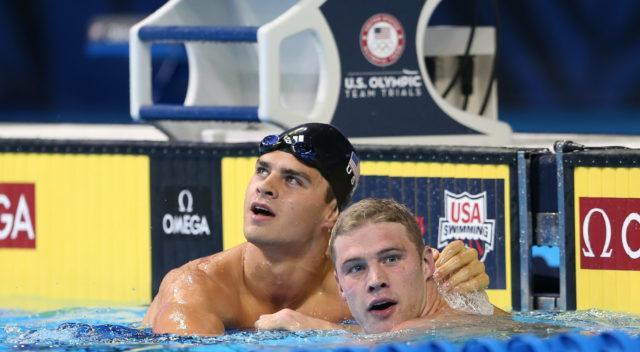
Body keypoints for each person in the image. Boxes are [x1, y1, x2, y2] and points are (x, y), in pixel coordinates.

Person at [144, 123, 489, 336]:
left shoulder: (358, 284)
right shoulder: (197, 288)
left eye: (293, 179)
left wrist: (471, 297)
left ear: (331, 212)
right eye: (263, 170)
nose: (265, 187)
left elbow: (514, 332)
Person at [256, 198, 504, 334]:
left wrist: (306, 325)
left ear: (427, 263)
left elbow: (386, 343)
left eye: (391, 259)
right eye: (356, 268)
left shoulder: (451, 320)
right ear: (340, 286)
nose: (375, 280)